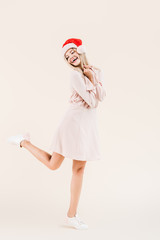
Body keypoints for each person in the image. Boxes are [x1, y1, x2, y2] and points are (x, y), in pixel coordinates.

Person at [7, 38, 107, 230]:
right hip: (72, 123)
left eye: (72, 52)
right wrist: (92, 80)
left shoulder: (97, 71)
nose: (70, 57)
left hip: (87, 125)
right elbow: (93, 102)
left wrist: (93, 76)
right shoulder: (75, 77)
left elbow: (102, 96)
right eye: (67, 56)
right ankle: (24, 142)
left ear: (80, 51)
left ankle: (72, 215)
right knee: (54, 165)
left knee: (79, 169)